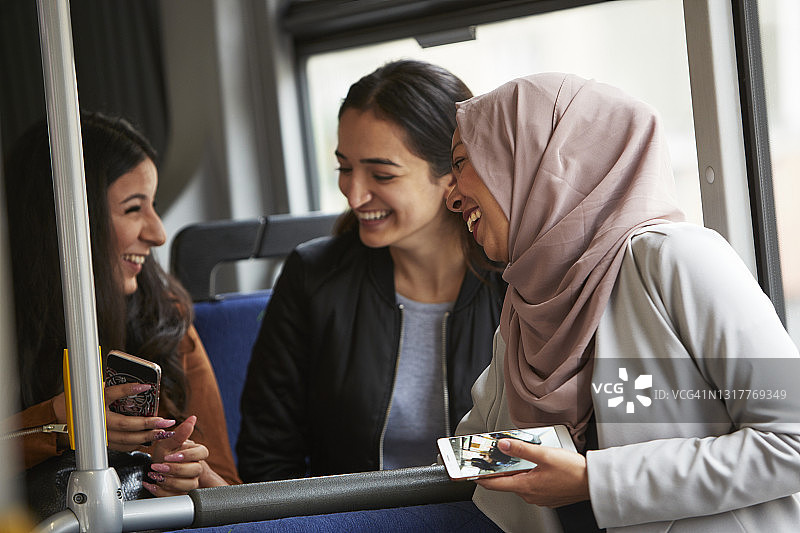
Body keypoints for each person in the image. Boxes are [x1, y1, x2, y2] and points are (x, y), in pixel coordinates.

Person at [447, 73, 800, 532]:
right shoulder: (528, 304)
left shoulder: (677, 259)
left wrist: (597, 481)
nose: (452, 196)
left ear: (535, 157)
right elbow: (477, 449)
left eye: (461, 163)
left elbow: (792, 437)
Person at [237, 59, 506, 482]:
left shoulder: (517, 285)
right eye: (345, 168)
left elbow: (539, 446)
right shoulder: (313, 278)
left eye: (381, 174)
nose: (354, 193)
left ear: (454, 176)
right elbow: (268, 456)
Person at [4, 111, 242, 501]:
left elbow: (234, 492)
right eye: (134, 209)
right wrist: (60, 424)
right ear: (68, 222)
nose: (159, 233)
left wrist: (186, 477)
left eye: (153, 205)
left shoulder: (166, 321)